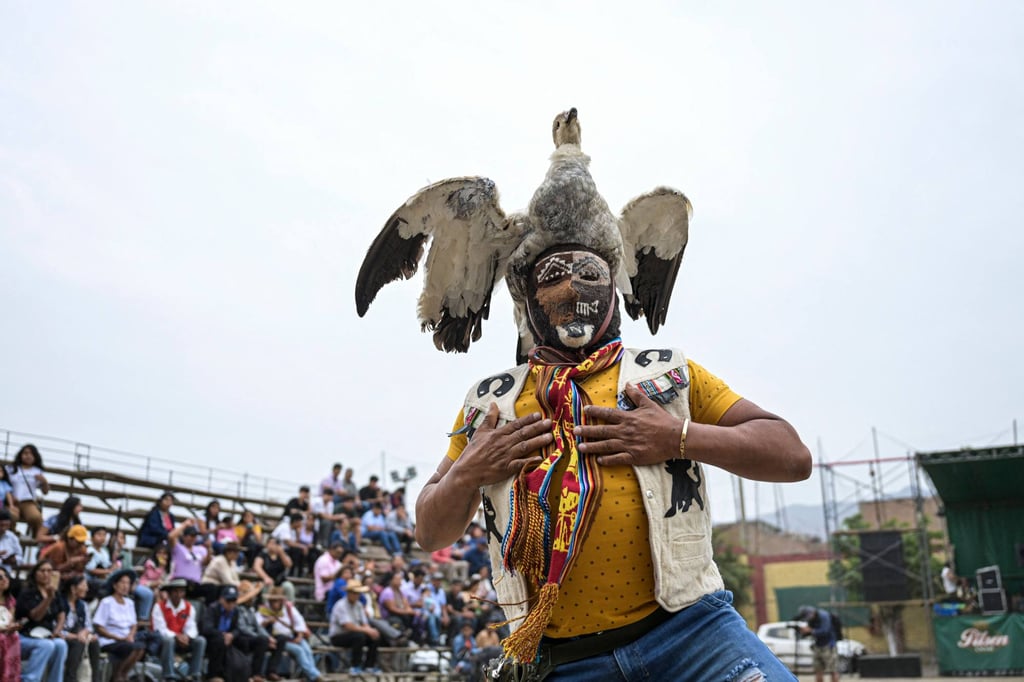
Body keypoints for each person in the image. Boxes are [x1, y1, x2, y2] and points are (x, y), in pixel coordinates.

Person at [385, 116, 813, 680]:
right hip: (563, 663)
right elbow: (428, 531)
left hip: (694, 636)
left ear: (615, 288)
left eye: (590, 274)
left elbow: (792, 456)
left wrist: (678, 436)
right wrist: (468, 471)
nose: (572, 289)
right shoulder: (490, 403)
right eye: (553, 275)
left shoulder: (670, 375)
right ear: (528, 296)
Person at [199, 585, 269, 682]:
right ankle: (214, 675)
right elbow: (206, 628)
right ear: (221, 599)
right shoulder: (212, 609)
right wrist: (222, 634)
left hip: (230, 637)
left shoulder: (235, 611)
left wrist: (232, 635)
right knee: (219, 641)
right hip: (214, 638)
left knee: (255, 640)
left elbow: (237, 628)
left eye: (233, 601)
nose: (231, 604)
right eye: (228, 601)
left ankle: (253, 674)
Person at [16, 559, 69, 682]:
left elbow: (62, 614)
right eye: (42, 571)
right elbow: (36, 617)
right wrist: (48, 599)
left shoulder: (56, 593)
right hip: (26, 635)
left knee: (61, 644)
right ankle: (30, 679)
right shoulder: (27, 593)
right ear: (35, 574)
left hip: (46, 634)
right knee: (46, 645)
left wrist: (56, 631)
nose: (46, 574)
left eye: (49, 571)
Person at [93, 569, 146, 682]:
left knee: (140, 647)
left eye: (128, 583)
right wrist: (117, 637)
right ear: (115, 585)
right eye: (122, 582)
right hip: (109, 640)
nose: (125, 586)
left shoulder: (130, 603)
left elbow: (134, 624)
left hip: (126, 639)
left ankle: (122, 673)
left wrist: (131, 635)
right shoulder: (106, 602)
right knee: (131, 648)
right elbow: (98, 626)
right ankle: (117, 675)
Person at [258, 586, 321, 681]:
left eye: (277, 600)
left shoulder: (288, 607)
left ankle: (313, 675)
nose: (275, 603)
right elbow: (258, 625)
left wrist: (300, 635)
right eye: (273, 600)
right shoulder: (264, 610)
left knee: (307, 649)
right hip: (278, 639)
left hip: (292, 636)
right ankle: (315, 675)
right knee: (299, 651)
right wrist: (267, 622)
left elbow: (299, 621)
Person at [151, 578, 206, 682]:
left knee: (200, 640)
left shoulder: (189, 607)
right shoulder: (159, 607)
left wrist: (187, 636)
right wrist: (176, 636)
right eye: (175, 591)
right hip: (164, 642)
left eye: (181, 591)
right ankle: (169, 675)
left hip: (182, 641)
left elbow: (191, 627)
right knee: (168, 640)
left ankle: (194, 674)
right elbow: (160, 629)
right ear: (170, 593)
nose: (178, 594)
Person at [328, 579, 381, 675]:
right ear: (349, 593)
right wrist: (366, 630)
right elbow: (348, 626)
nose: (356, 595)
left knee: (374, 636)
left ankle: (369, 666)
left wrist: (370, 630)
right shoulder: (340, 605)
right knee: (359, 636)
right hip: (338, 636)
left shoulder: (359, 605)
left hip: (354, 634)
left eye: (358, 593)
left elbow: (364, 623)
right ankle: (355, 666)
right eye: (354, 593)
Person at [6, 443, 51, 539]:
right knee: (10, 516)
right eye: (25, 453)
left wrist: (44, 481)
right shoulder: (11, 469)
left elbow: (45, 492)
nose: (28, 456)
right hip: (12, 501)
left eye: (31, 454)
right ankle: (12, 536)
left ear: (35, 457)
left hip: (28, 502)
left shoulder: (37, 471)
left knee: (36, 517)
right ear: (21, 455)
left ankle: (37, 537)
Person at [61, 575, 100, 682]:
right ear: (73, 588)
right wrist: (76, 636)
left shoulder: (82, 605)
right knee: (78, 643)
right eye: (83, 585)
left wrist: (83, 633)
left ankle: (95, 678)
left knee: (94, 642)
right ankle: (70, 679)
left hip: (79, 636)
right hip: (64, 636)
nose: (87, 588)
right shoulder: (61, 603)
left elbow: (89, 626)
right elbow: (56, 628)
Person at [168, 521, 210, 596]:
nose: (193, 538)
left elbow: (206, 562)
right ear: (184, 537)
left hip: (196, 583)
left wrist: (209, 549)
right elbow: (171, 536)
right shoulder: (178, 548)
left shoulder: (201, 549)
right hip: (180, 581)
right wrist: (184, 525)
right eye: (191, 536)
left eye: (195, 536)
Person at [797, 606, 838, 682]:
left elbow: (825, 630)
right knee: (818, 670)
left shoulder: (824, 616)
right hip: (817, 645)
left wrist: (810, 630)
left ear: (811, 613)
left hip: (828, 645)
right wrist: (804, 632)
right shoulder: (811, 620)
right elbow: (810, 631)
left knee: (833, 670)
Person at [252, 536, 295, 602]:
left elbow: (289, 564)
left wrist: (281, 552)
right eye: (271, 543)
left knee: (289, 587)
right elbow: (256, 566)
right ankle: (266, 606)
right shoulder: (263, 554)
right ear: (267, 544)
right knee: (267, 586)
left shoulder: (282, 555)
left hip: (280, 582)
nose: (273, 545)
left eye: (275, 543)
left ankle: (290, 607)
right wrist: (265, 577)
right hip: (266, 582)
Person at [0, 565, 21, 681]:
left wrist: (14, 626)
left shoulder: (10, 600)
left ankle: (10, 677)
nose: (4, 579)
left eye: (6, 576)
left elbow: (10, 621)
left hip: (5, 632)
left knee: (14, 636)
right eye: (0, 577)